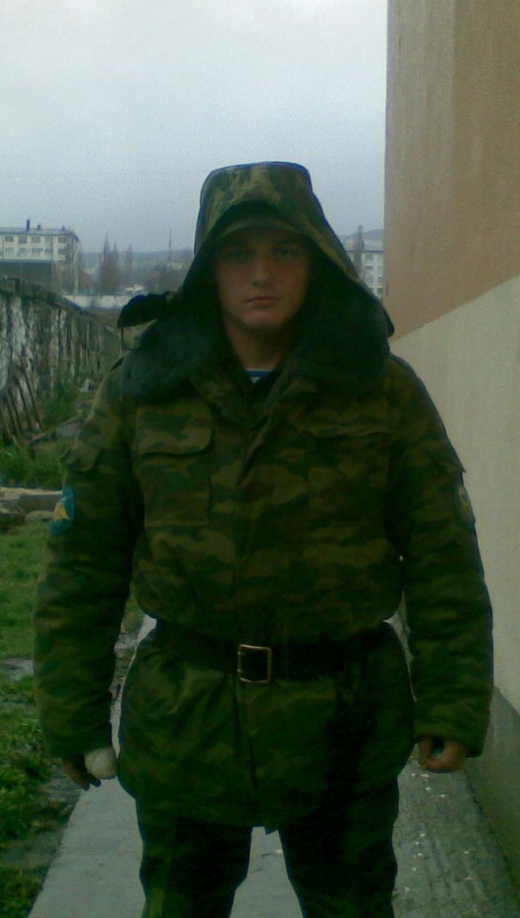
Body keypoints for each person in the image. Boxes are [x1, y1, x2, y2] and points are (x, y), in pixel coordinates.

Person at [34, 161, 493, 918]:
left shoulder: (380, 389)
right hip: (189, 721)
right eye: (238, 253)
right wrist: (71, 710)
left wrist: (452, 697)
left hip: (341, 722)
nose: (261, 274)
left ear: (317, 260)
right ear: (208, 269)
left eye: (284, 251)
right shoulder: (144, 389)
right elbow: (84, 563)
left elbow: (443, 555)